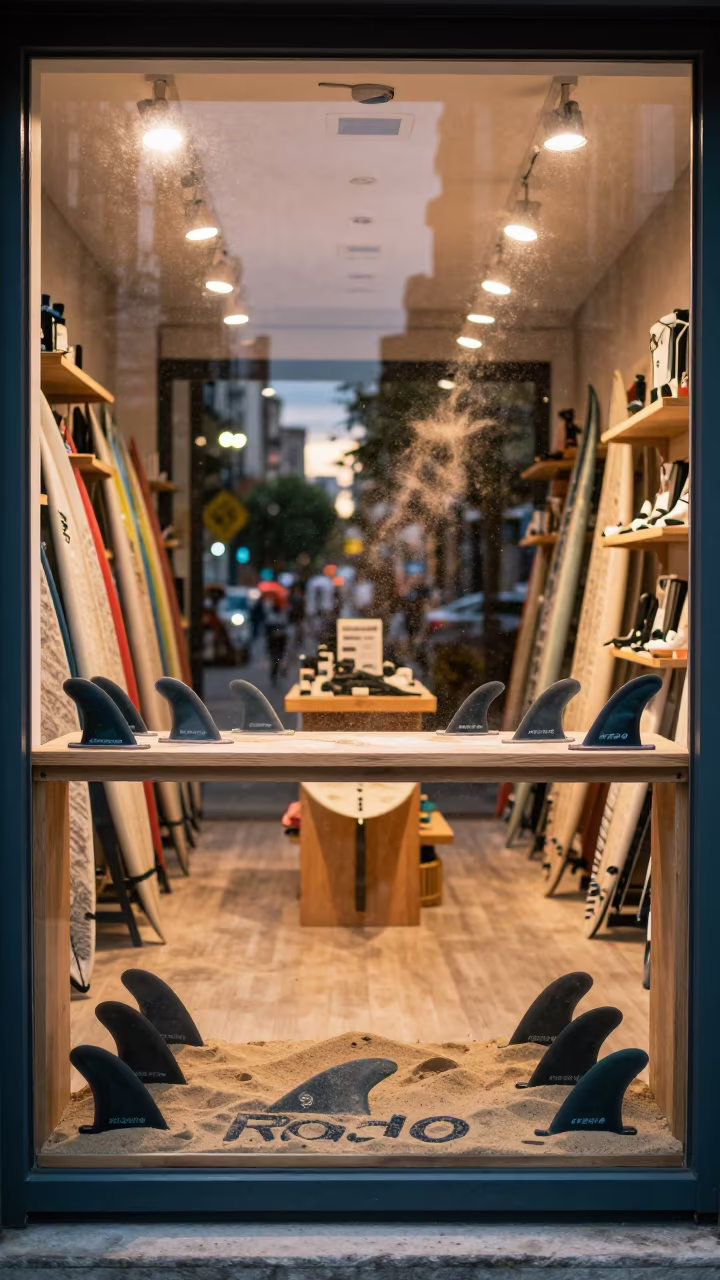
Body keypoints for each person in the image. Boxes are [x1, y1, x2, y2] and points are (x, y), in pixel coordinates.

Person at [265, 599, 289, 684]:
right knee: (276, 657)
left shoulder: (281, 614)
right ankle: (276, 673)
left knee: (277, 657)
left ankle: (278, 671)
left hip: (279, 640)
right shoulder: (274, 614)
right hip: (275, 640)